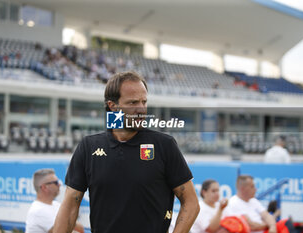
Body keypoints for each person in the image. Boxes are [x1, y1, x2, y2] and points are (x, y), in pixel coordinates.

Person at [54, 71, 200, 233]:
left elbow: (191, 202)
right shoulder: (88, 147)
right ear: (113, 106)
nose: (141, 109)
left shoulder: (164, 145)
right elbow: (70, 205)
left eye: (144, 102)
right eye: (133, 103)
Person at [25, 168, 84, 233]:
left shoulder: (56, 204)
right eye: (56, 182)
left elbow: (80, 228)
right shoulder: (37, 211)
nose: (59, 184)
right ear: (44, 187)